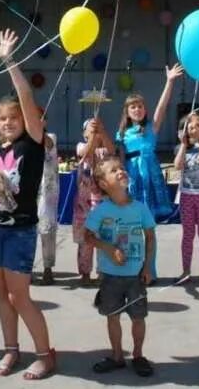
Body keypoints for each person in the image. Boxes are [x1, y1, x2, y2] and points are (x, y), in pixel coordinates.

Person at [0, 29, 54, 380]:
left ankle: (46, 355)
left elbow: (24, 94)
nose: (8, 123)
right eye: (3, 119)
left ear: (28, 120)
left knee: (20, 297)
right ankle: (11, 351)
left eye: (15, 118)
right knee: (2, 294)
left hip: (19, 232)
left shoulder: (33, 143)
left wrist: (9, 62)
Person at [84, 157, 157, 377]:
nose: (120, 171)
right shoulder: (101, 210)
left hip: (135, 275)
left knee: (138, 316)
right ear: (104, 184)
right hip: (110, 276)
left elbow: (150, 237)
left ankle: (137, 355)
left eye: (121, 168)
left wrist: (147, 267)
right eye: (113, 170)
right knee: (112, 316)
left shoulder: (140, 208)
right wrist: (107, 248)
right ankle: (117, 356)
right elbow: (87, 236)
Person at [117, 63, 184, 281]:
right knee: (130, 229)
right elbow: (117, 159)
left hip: (151, 182)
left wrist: (170, 81)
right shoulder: (122, 135)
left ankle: (150, 271)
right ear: (127, 111)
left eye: (140, 106)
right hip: (132, 181)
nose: (137, 109)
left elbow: (162, 107)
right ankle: (132, 269)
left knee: (149, 230)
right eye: (133, 107)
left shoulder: (151, 129)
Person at [174, 111, 199, 284]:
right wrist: (183, 144)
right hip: (187, 196)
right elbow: (177, 165)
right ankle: (186, 270)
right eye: (190, 127)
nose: (194, 129)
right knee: (188, 235)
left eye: (198, 126)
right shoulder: (181, 148)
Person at [74, 117, 114, 286]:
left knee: (103, 237)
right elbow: (85, 153)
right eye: (90, 128)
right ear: (84, 133)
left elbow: (111, 150)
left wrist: (102, 133)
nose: (95, 131)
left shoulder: (104, 151)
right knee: (85, 240)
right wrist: (92, 137)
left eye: (98, 127)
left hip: (102, 200)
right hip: (84, 202)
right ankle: (85, 273)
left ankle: (103, 272)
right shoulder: (81, 146)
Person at [36, 113, 59, 286]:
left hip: (46, 191)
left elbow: (49, 145)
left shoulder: (50, 137)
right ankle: (25, 270)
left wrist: (38, 129)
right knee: (25, 232)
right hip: (26, 189)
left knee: (47, 230)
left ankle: (47, 268)